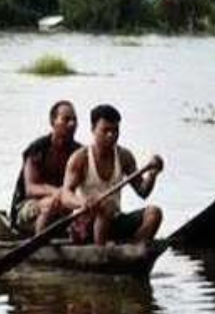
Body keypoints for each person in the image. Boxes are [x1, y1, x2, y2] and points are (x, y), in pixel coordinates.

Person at [60, 104, 163, 246]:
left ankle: (133, 250)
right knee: (105, 206)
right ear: (93, 129)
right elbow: (65, 195)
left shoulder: (124, 156)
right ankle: (100, 252)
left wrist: (153, 173)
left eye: (115, 130)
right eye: (105, 130)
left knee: (154, 213)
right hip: (85, 225)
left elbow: (143, 192)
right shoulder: (80, 158)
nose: (111, 135)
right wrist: (83, 203)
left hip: (113, 220)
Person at [10, 100, 81, 235]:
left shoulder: (79, 152)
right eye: (66, 119)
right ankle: (40, 243)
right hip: (28, 206)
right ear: (53, 122)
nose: (72, 124)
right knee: (50, 205)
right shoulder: (38, 149)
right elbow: (31, 188)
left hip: (64, 206)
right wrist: (57, 192)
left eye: (74, 120)